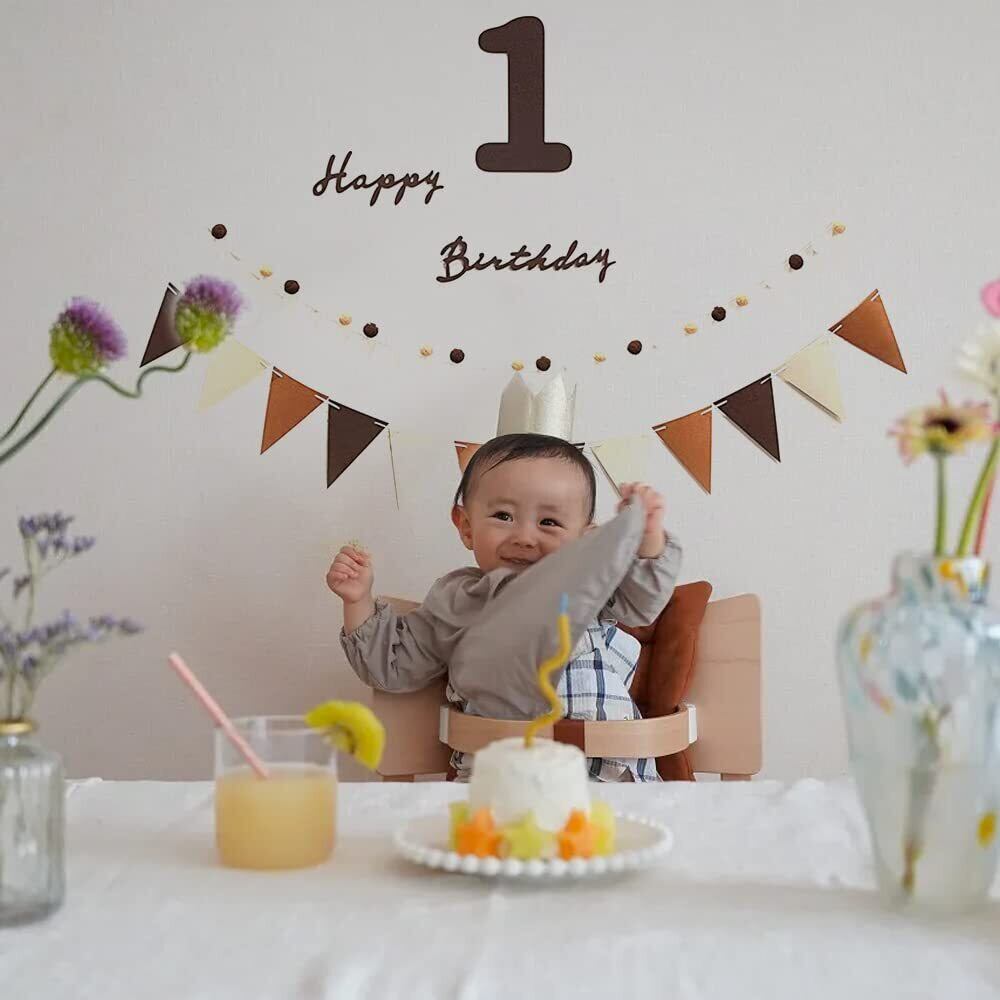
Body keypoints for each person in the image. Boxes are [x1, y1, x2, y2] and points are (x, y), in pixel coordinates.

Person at [327, 433, 682, 780]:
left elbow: (641, 605)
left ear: (584, 539)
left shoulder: (586, 582)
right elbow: (394, 667)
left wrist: (648, 540)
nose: (524, 537)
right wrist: (357, 600)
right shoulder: (458, 599)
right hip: (497, 778)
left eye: (549, 522)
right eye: (503, 515)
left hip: (610, 777)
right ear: (466, 527)